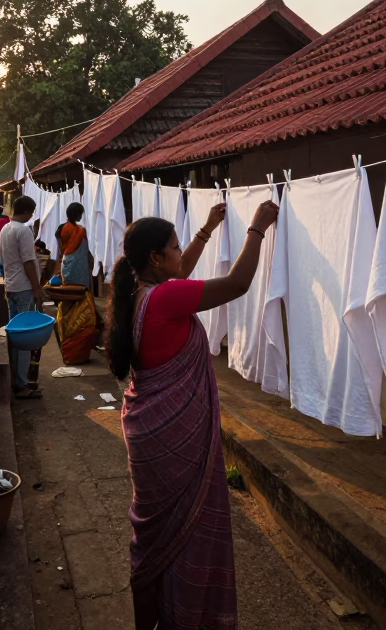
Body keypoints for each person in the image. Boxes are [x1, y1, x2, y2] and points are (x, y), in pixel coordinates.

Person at [111, 200, 279, 630]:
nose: (179, 252)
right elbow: (238, 283)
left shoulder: (138, 292)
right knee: (190, 529)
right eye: (174, 245)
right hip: (173, 440)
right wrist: (257, 228)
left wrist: (207, 228)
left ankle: (160, 616)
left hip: (148, 434)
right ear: (155, 257)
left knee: (160, 536)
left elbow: (181, 269)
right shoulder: (166, 298)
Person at [0, 195, 47, 399]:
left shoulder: (5, 228)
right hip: (24, 287)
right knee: (25, 338)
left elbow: (4, 261)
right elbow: (28, 262)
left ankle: (15, 379)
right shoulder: (23, 230)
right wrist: (37, 289)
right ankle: (21, 383)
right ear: (27, 212)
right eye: (31, 213)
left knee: (14, 335)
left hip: (11, 285)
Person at [55, 201, 92, 288]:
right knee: (80, 289)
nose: (81, 216)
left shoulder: (61, 228)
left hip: (67, 263)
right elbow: (86, 249)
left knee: (68, 289)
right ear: (75, 214)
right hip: (80, 265)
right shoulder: (81, 230)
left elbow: (60, 250)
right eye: (80, 214)